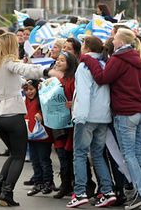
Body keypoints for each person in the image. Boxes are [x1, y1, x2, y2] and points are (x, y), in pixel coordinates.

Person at [79, 28, 141, 210]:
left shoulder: (117, 59)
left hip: (126, 112)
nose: (112, 41)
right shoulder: (139, 59)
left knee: (129, 154)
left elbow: (101, 78)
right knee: (140, 152)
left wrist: (88, 60)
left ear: (121, 42)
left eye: (114, 39)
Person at [0, 32, 52, 207]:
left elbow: (16, 76)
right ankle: (6, 193)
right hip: (12, 114)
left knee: (14, 153)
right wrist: (46, 71)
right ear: (11, 46)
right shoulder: (9, 61)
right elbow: (24, 69)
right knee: (19, 155)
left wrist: (25, 79)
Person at [67, 36, 117, 208]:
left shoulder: (84, 66)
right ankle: (107, 190)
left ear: (87, 48)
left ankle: (80, 192)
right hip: (103, 116)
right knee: (98, 154)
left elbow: (83, 93)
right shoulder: (105, 64)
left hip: (87, 116)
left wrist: (79, 117)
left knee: (80, 154)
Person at [52, 51, 79, 200]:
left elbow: (78, 96)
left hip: (71, 121)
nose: (58, 62)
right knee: (62, 153)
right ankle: (65, 184)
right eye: (57, 60)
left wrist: (72, 104)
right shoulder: (57, 79)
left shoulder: (73, 79)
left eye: (62, 60)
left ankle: (79, 184)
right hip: (59, 120)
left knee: (72, 154)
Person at [23, 79, 54, 197]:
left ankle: (48, 182)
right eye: (26, 90)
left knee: (44, 159)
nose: (29, 92)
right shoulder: (26, 101)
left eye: (31, 89)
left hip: (43, 135)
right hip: (31, 135)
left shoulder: (41, 98)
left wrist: (41, 115)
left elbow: (48, 109)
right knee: (35, 160)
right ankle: (38, 182)